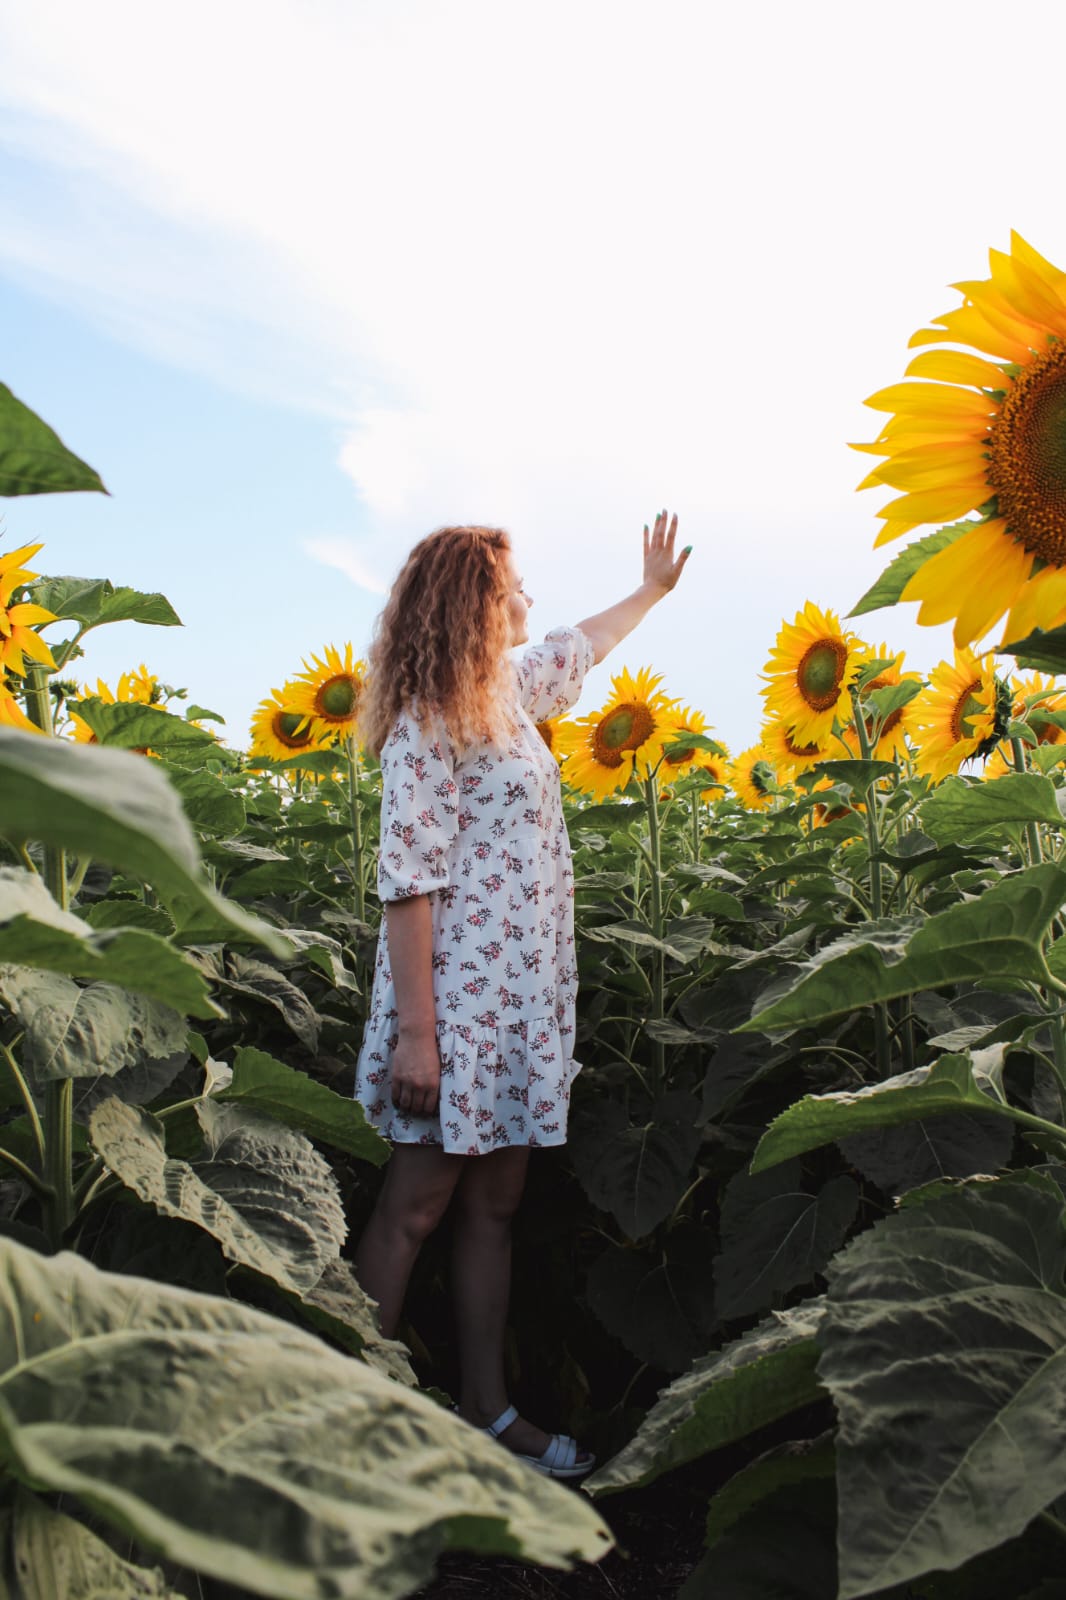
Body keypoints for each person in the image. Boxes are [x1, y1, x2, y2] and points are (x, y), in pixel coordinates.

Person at [353, 512, 690, 1477]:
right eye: (514, 587)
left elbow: (582, 643)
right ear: (475, 604)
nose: (529, 599)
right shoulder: (425, 721)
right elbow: (408, 881)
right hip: (451, 1008)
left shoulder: (507, 692)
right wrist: (420, 1039)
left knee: (493, 1204)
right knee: (414, 1208)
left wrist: (655, 589)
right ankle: (354, 1434)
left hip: (521, 1001)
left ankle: (485, 1416)